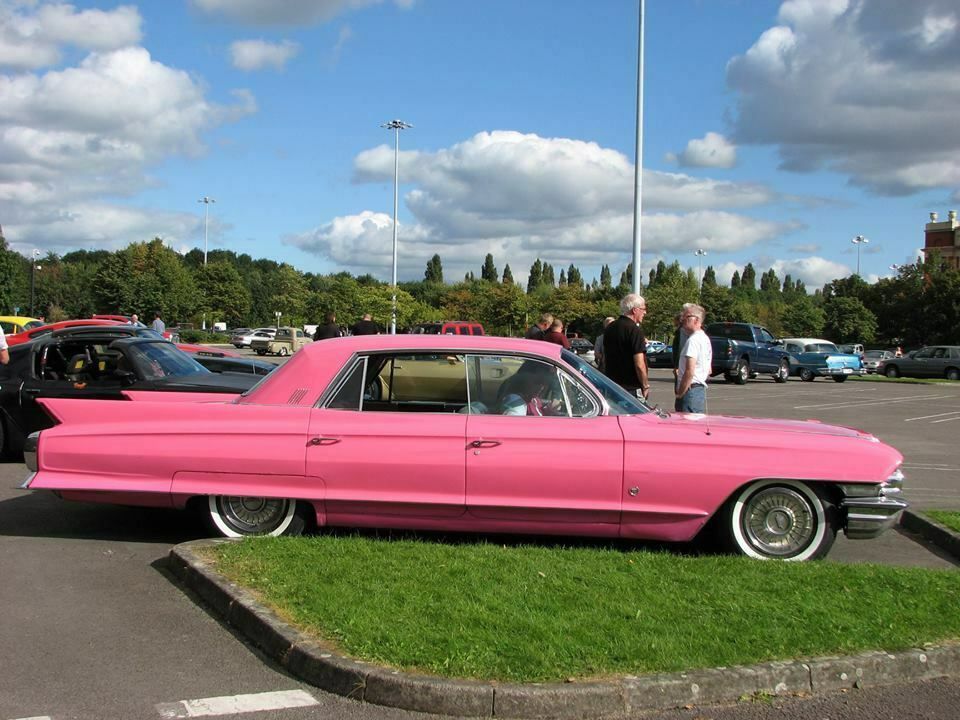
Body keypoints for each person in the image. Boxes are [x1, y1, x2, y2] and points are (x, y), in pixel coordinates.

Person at [603, 294, 649, 399]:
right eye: (643, 309)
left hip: (611, 385)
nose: (645, 312)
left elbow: (605, 358)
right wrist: (645, 385)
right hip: (631, 388)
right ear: (635, 310)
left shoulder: (610, 328)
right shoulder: (634, 330)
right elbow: (639, 364)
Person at [674, 304, 712, 414]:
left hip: (690, 391)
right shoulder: (704, 338)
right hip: (698, 391)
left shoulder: (693, 340)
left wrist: (680, 393)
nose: (682, 320)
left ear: (696, 320)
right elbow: (709, 370)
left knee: (686, 422)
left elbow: (689, 371)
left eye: (686, 317)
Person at [497, 362, 561, 416]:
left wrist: (548, 412)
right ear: (524, 379)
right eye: (537, 382)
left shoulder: (531, 397)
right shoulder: (517, 405)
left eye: (544, 384)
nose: (541, 388)